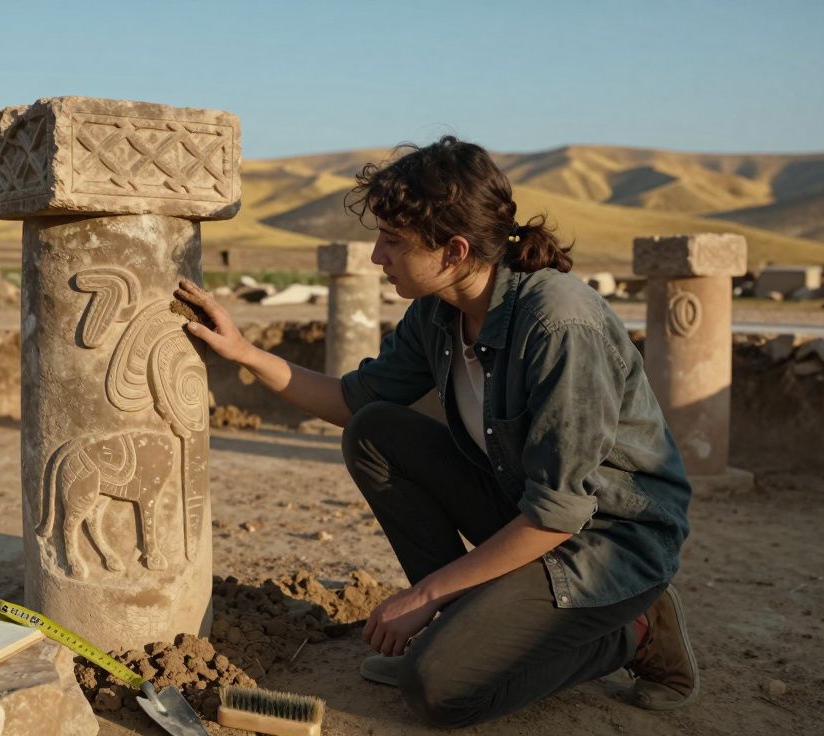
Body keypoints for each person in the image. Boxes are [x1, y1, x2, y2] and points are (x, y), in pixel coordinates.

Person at [174, 135, 696, 728]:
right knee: (376, 432)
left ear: (454, 250)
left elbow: (558, 512)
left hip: (605, 545)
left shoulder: (559, 325)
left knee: (437, 692)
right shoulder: (438, 314)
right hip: (527, 516)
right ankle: (463, 632)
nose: (376, 257)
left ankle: (637, 631)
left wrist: (424, 597)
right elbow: (354, 402)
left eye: (392, 241)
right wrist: (244, 352)